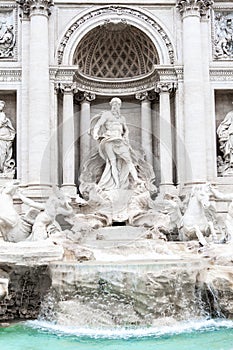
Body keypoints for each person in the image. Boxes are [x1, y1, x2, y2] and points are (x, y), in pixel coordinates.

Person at [90, 97, 142, 190]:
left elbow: (126, 130)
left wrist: (126, 136)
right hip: (109, 140)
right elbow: (98, 125)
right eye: (113, 104)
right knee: (112, 162)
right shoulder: (106, 115)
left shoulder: (122, 118)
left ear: (119, 106)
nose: (115, 106)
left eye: (117, 104)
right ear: (111, 105)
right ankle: (117, 185)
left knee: (128, 160)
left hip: (119, 140)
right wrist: (95, 133)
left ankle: (136, 179)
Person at [0, 100, 15, 173]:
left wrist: (11, 136)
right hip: (1, 137)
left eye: (2, 106)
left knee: (6, 153)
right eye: (0, 106)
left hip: (6, 138)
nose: (1, 107)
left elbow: (12, 129)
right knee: (1, 153)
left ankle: (4, 168)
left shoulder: (6, 118)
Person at [217, 106, 233, 170]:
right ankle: (231, 163)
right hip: (232, 134)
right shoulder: (231, 114)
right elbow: (224, 125)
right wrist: (221, 131)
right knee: (230, 147)